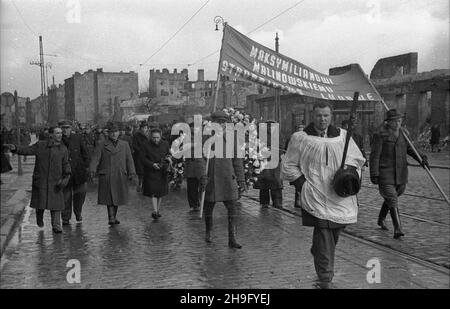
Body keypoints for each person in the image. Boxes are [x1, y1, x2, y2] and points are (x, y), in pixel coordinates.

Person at [281, 101, 365, 289]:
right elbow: (289, 165)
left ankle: (318, 250)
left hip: (338, 194)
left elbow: (356, 160)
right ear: (313, 116)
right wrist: (302, 185)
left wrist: (349, 174)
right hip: (315, 193)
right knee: (324, 234)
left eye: (326, 115)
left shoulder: (343, 136)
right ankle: (326, 278)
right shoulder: (300, 138)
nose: (322, 119)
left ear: (331, 116)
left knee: (333, 232)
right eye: (319, 115)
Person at [370, 109, 429, 238]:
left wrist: (422, 158)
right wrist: (374, 173)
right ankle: (398, 228)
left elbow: (411, 149)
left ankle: (381, 218)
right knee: (391, 197)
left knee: (395, 195)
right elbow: (375, 156)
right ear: (388, 122)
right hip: (385, 171)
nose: (397, 124)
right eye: (394, 121)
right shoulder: (381, 135)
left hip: (401, 172)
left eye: (399, 121)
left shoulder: (403, 135)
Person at [197, 111, 246, 249]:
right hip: (210, 178)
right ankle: (209, 230)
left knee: (232, 208)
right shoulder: (206, 137)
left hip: (228, 178)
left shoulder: (231, 138)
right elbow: (199, 158)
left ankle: (232, 238)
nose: (221, 125)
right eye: (218, 122)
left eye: (224, 122)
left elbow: (237, 160)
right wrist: (202, 175)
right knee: (208, 207)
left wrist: (241, 180)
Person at [8, 127, 71, 233]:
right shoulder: (41, 145)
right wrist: (15, 148)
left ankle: (56, 225)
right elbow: (27, 150)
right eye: (57, 133)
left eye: (60, 133)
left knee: (56, 205)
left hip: (56, 181)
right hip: (41, 179)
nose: (60, 135)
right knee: (40, 203)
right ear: (51, 135)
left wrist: (67, 173)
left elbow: (65, 163)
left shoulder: (63, 149)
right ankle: (39, 218)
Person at [89, 122, 136, 225]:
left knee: (117, 196)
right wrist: (92, 170)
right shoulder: (101, 144)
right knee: (109, 197)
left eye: (116, 132)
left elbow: (129, 159)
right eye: (111, 132)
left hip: (120, 174)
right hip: (107, 174)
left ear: (119, 133)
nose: (114, 134)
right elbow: (96, 158)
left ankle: (113, 216)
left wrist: (132, 172)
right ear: (108, 133)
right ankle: (111, 217)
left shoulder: (124, 145)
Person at [58, 120, 90, 225]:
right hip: (64, 173)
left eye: (67, 128)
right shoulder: (57, 140)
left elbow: (85, 152)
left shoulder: (77, 138)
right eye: (63, 128)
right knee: (65, 197)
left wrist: (86, 166)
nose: (65, 130)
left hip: (78, 172)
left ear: (71, 128)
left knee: (81, 194)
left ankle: (78, 212)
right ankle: (66, 218)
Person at [141, 128, 171, 219]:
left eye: (157, 137)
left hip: (162, 171)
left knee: (160, 192)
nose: (156, 140)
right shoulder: (145, 145)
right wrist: (152, 164)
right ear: (151, 137)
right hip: (151, 171)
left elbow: (168, 154)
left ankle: (157, 210)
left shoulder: (165, 144)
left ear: (160, 136)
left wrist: (168, 158)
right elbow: (142, 158)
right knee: (153, 192)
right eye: (154, 137)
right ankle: (154, 211)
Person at [258, 120, 283, 209]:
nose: (270, 127)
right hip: (264, 161)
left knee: (276, 182)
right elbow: (257, 146)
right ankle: (265, 202)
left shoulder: (278, 135)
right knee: (265, 182)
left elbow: (281, 147)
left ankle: (277, 202)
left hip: (275, 161)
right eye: (268, 125)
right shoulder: (261, 135)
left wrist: (277, 151)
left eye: (272, 126)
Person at [184, 122, 203, 211]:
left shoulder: (202, 137)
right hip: (191, 166)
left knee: (202, 186)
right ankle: (194, 204)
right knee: (192, 187)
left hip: (200, 164)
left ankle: (201, 202)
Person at [285, 123, 305, 209]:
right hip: (296, 164)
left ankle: (302, 201)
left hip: (304, 164)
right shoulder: (292, 139)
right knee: (298, 183)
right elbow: (287, 150)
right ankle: (298, 201)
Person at [132, 121, 149, 192]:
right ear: (141, 128)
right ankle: (140, 184)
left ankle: (146, 185)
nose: (144, 129)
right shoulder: (136, 135)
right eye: (143, 128)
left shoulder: (149, 135)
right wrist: (141, 151)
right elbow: (134, 145)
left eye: (145, 128)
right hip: (139, 156)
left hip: (147, 155)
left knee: (147, 170)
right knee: (140, 171)